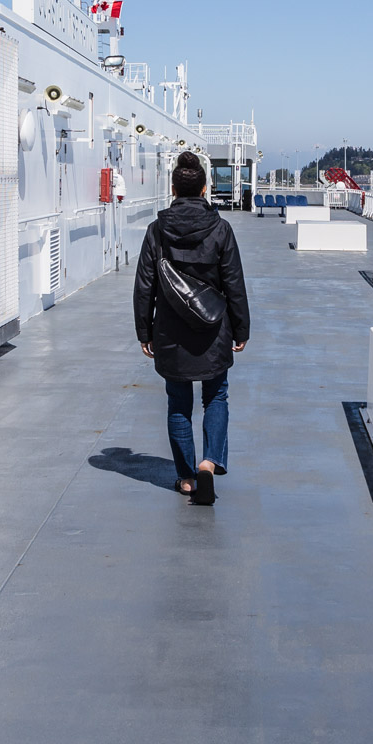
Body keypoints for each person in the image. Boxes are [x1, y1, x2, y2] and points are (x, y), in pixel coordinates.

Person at [134, 151, 251, 505]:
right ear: (204, 189)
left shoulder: (157, 231)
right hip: (214, 330)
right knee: (216, 396)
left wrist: (145, 332)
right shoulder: (221, 228)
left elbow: (144, 286)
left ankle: (186, 478)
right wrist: (241, 329)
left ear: (172, 189)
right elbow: (234, 284)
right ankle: (208, 463)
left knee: (178, 403)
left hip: (170, 331)